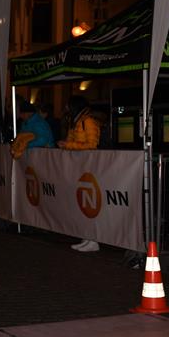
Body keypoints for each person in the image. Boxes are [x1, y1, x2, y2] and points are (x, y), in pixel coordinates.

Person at [58, 95, 100, 252]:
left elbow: (92, 144)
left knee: (89, 204)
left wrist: (68, 145)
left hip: (88, 166)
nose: (66, 108)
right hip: (80, 166)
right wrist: (67, 144)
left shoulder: (87, 121)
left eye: (68, 105)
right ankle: (87, 237)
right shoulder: (76, 121)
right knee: (82, 203)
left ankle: (93, 239)